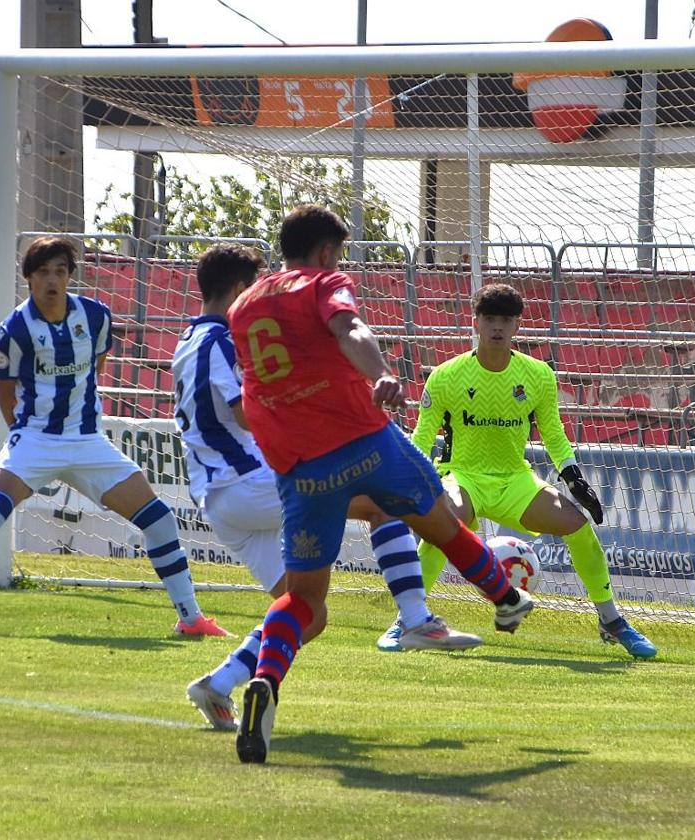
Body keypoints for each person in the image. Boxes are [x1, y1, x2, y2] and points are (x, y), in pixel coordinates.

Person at [227, 205, 534, 764]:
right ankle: (505, 595)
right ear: (325, 252)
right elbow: (348, 326)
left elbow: (253, 383)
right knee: (438, 513)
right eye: (338, 253)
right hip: (360, 438)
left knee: (305, 602)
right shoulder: (323, 281)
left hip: (298, 465)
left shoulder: (244, 306)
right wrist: (380, 373)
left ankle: (266, 681)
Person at [174, 243, 483, 732]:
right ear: (237, 290)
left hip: (220, 497)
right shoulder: (225, 339)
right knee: (386, 500)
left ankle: (220, 682)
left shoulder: (187, 340)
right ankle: (415, 618)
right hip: (248, 482)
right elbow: (240, 410)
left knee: (307, 615)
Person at [0, 236, 227, 637]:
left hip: (87, 441)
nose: (52, 280)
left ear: (70, 276)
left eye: (60, 271)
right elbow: (4, 391)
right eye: (43, 272)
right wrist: (25, 436)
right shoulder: (15, 330)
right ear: (29, 278)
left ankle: (190, 617)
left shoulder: (95, 317)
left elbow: (98, 366)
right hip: (36, 439)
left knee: (160, 520)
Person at [381, 282, 657, 659]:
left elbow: (555, 435)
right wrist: (409, 480)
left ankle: (611, 621)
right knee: (445, 519)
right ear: (476, 322)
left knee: (577, 524)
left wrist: (574, 478)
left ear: (517, 326)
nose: (498, 327)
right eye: (490, 318)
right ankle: (408, 621)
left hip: (515, 479)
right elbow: (422, 437)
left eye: (506, 320)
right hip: (464, 475)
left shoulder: (538, 375)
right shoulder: (445, 376)